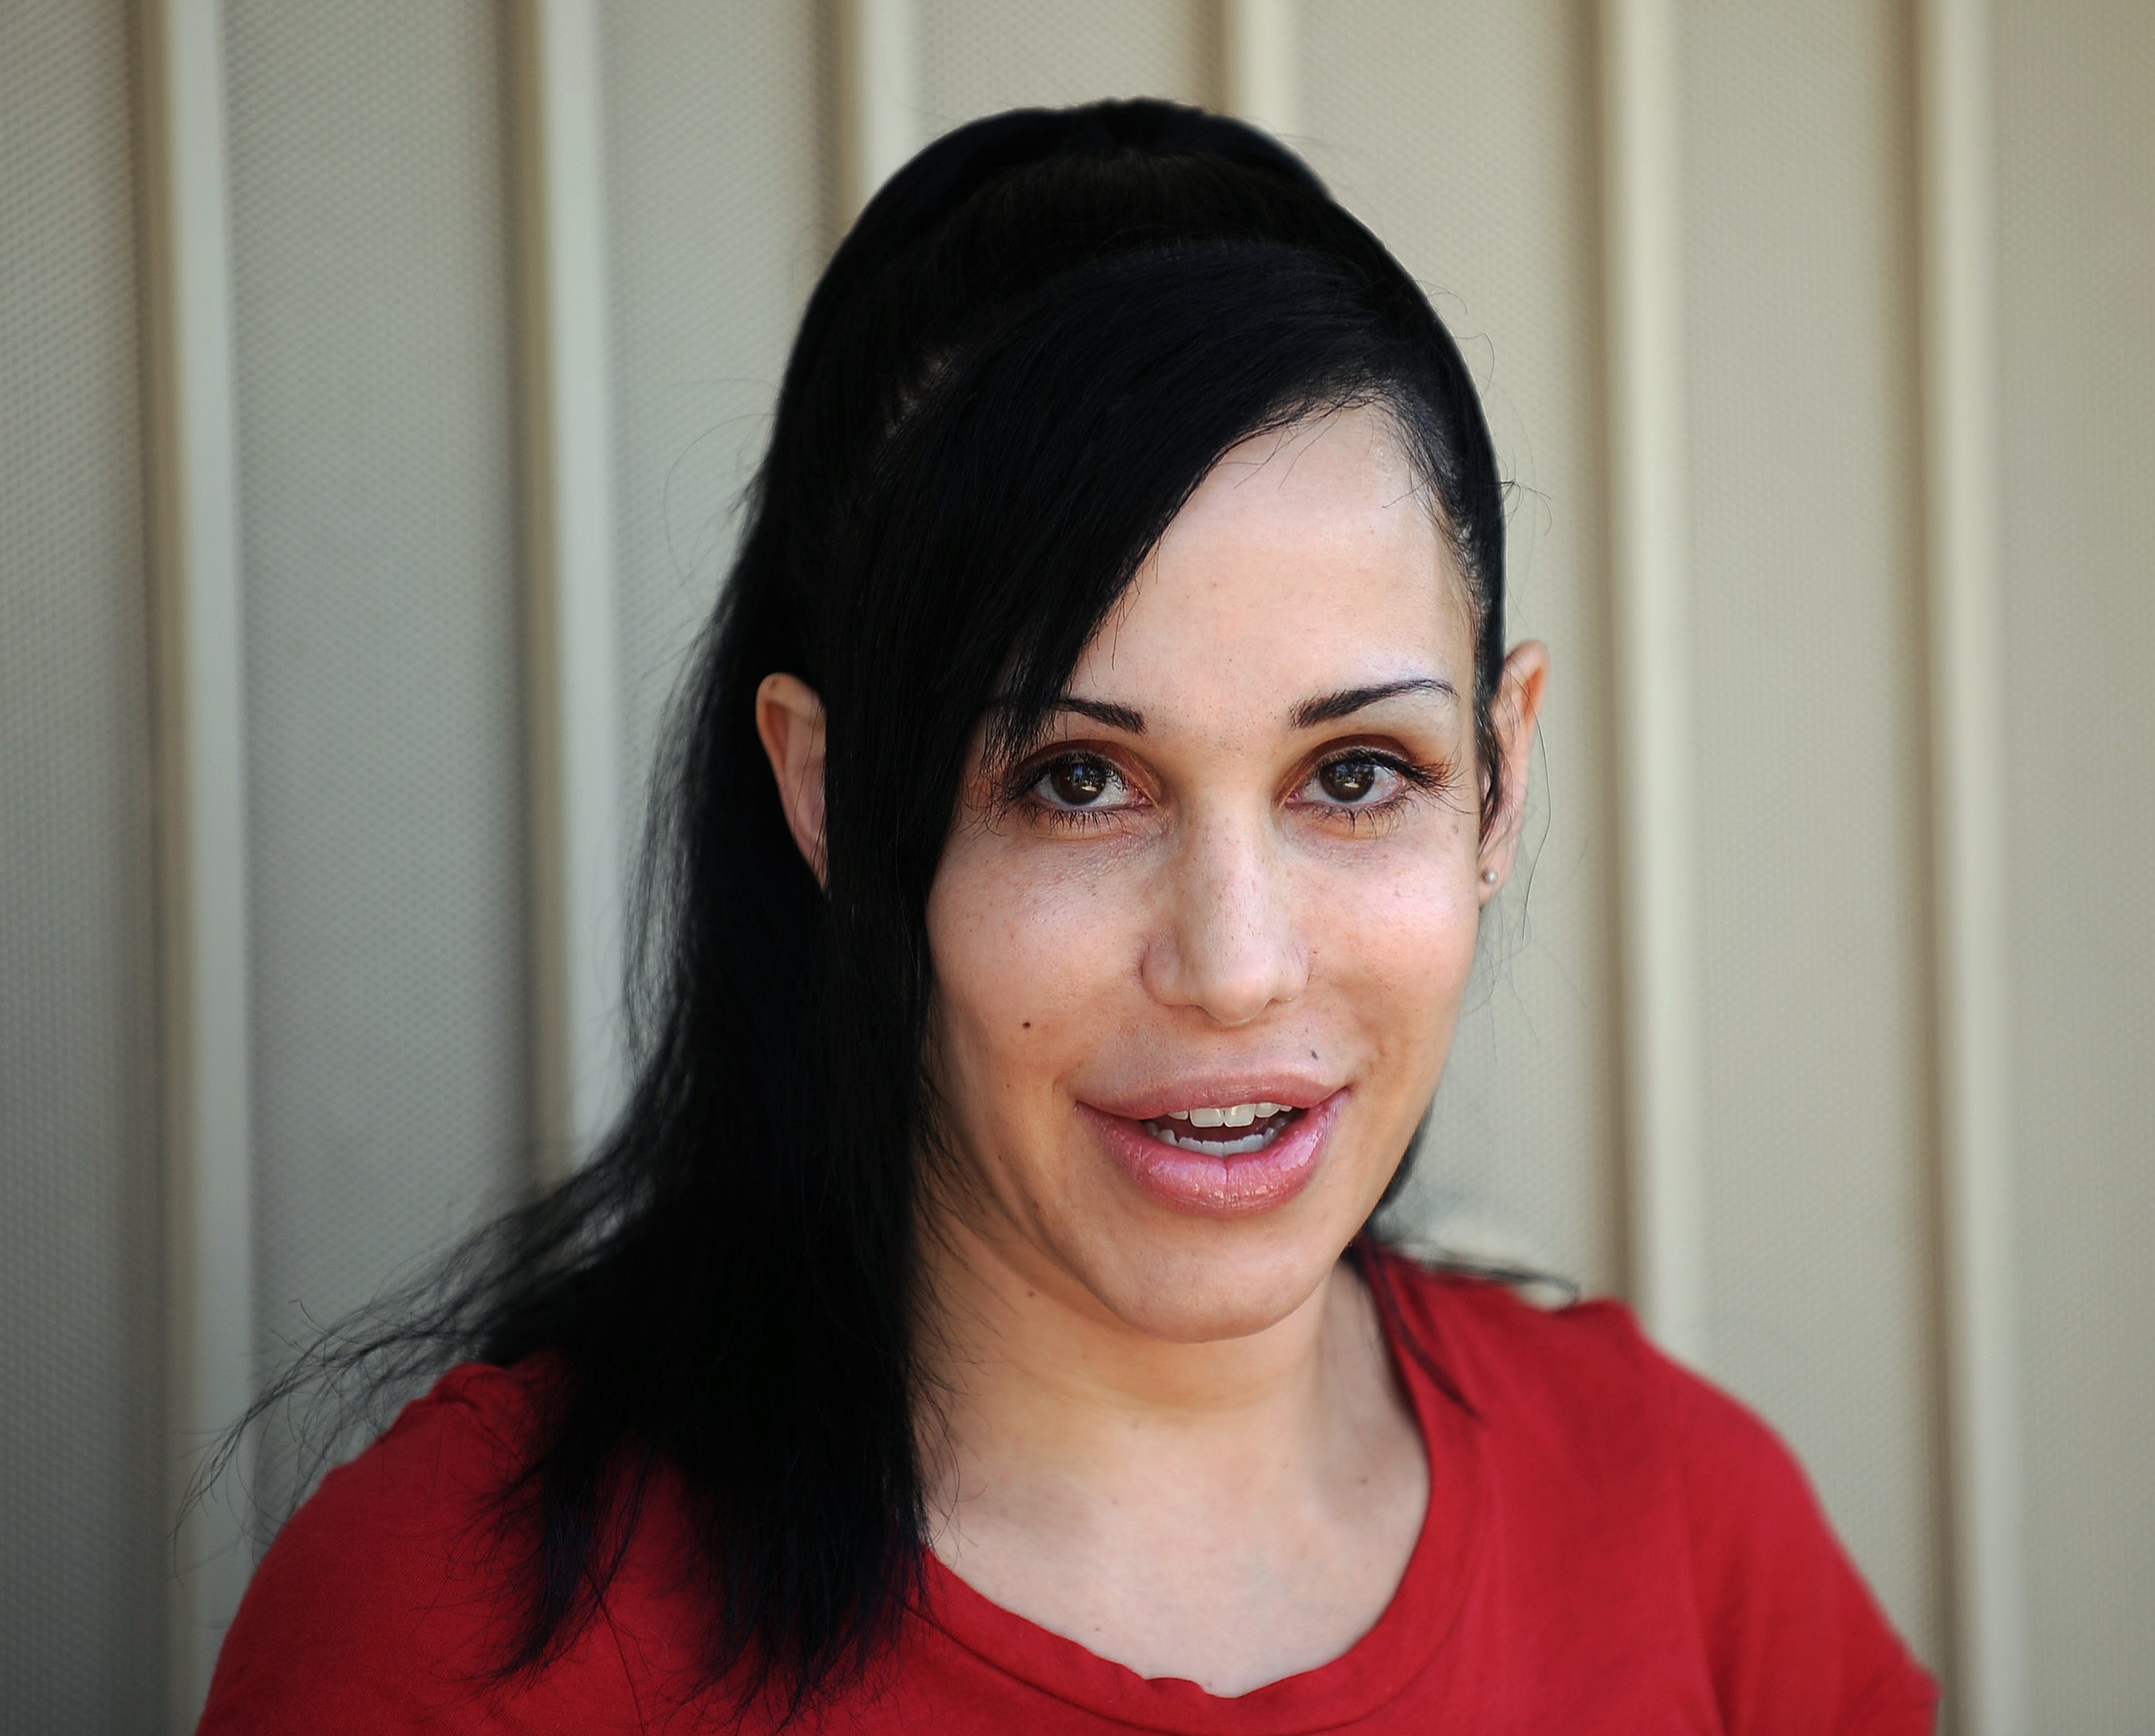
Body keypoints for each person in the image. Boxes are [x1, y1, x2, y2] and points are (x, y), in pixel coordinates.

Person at [198, 100, 1937, 1732]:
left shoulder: (1698, 1546)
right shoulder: (455, 1642)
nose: (1236, 967)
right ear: (827, 798)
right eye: (1077, 781)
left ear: (1499, 778)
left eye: (1355, 774)